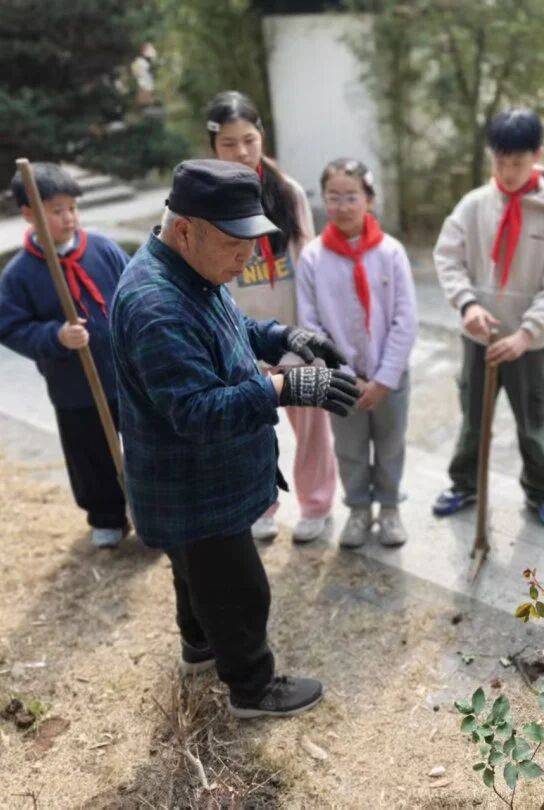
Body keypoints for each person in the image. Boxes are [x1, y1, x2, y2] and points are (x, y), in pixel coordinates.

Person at [110, 159, 359, 718]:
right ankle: (253, 689)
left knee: (194, 574)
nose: (246, 257)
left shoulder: (191, 270)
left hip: (187, 483)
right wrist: (284, 386)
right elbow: (196, 412)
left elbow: (230, 330)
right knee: (240, 590)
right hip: (195, 486)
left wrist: (284, 336)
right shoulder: (156, 305)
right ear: (184, 229)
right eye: (233, 242)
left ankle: (200, 645)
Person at [432, 108, 544, 528]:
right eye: (500, 162)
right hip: (480, 337)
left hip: (529, 344)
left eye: (518, 162)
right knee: (473, 418)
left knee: (534, 422)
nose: (509, 172)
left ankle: (542, 493)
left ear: (537, 155)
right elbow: (448, 257)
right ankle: (464, 484)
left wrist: (527, 334)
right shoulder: (474, 205)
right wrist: (467, 305)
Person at [206, 90, 338, 546]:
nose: (242, 152)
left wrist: (309, 333)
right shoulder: (205, 199)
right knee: (250, 426)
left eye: (249, 139)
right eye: (229, 144)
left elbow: (308, 263)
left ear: (261, 135)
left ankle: (317, 503)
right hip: (237, 336)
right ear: (213, 147)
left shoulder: (289, 192)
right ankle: (260, 504)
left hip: (290, 330)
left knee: (311, 422)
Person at [0, 163, 129, 548]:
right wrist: (54, 336)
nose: (69, 217)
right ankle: (105, 515)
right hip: (73, 385)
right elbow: (10, 327)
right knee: (89, 452)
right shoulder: (20, 274)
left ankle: (150, 508)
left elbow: (134, 295)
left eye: (72, 207)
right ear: (29, 214)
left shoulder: (103, 249)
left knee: (142, 444)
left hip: (122, 375)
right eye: (56, 210)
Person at [296, 159, 417, 548]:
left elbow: (405, 318)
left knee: (390, 444)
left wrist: (383, 379)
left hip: (390, 376)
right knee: (347, 447)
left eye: (352, 197)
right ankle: (359, 509)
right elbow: (311, 325)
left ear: (369, 199)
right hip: (339, 379)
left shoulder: (391, 252)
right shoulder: (313, 257)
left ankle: (389, 508)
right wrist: (345, 375)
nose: (343, 205)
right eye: (334, 197)